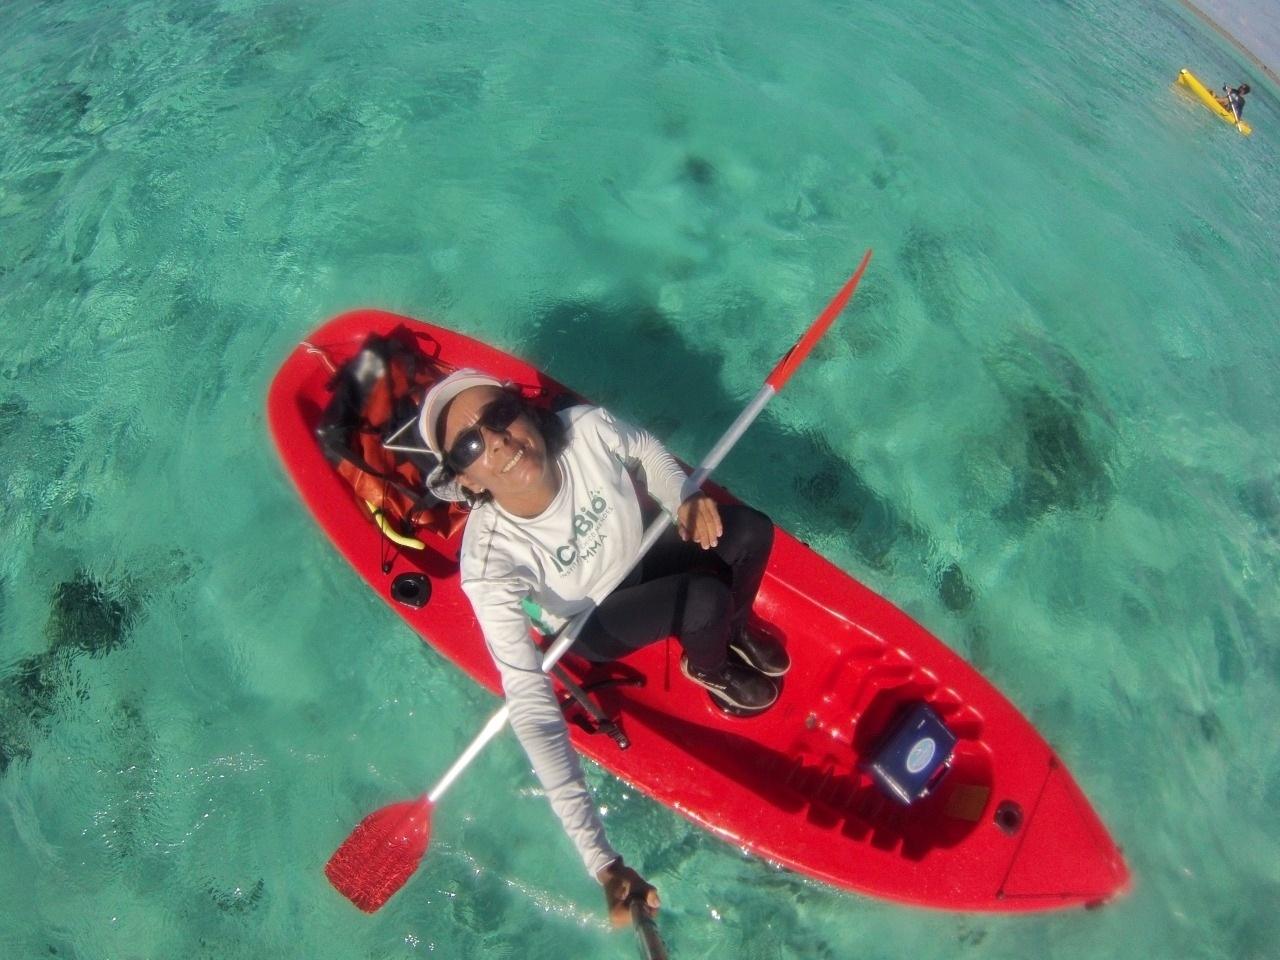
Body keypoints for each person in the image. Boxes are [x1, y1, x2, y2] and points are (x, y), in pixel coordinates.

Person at [417, 370, 790, 924]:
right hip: (592, 620)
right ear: (467, 481)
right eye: (471, 446)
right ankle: (709, 665)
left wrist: (682, 495)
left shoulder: (585, 429)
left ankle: (729, 634)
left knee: (751, 532)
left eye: (498, 417)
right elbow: (530, 704)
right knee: (705, 598)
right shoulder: (489, 562)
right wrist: (600, 859)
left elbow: (647, 453)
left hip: (638, 548)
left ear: (522, 413)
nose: (495, 441)